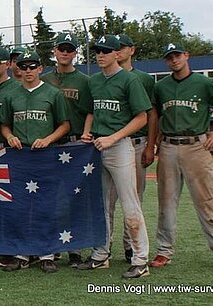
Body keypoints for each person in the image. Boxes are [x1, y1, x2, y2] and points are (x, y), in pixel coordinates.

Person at [151, 42, 213, 272]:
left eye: (177, 55)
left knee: (207, 200)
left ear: (186, 56)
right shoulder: (161, 87)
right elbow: (157, 113)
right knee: (166, 202)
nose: (174, 60)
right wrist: (158, 136)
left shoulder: (204, 82)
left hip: (196, 146)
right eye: (170, 57)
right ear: (166, 61)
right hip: (169, 146)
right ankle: (163, 251)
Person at [77, 35, 151, 279]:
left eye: (106, 51)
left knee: (130, 203)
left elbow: (142, 118)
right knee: (101, 206)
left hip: (120, 147)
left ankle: (140, 260)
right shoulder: (94, 80)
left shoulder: (129, 80)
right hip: (97, 145)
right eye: (97, 51)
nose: (100, 55)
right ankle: (101, 255)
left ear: (117, 54)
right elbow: (91, 111)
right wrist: (87, 132)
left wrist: (114, 137)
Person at [0, 50, 70, 273]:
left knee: (45, 205)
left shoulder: (53, 93)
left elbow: (65, 124)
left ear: (40, 68)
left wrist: (48, 139)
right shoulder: (12, 94)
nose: (28, 71)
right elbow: (4, 124)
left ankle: (46, 254)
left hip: (45, 155)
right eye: (24, 67)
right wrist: (9, 136)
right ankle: (22, 253)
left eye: (32, 67)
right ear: (18, 69)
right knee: (20, 205)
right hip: (20, 156)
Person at [40, 31, 92, 267]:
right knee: (50, 198)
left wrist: (85, 135)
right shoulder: (45, 79)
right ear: (54, 51)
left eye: (69, 49)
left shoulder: (84, 80)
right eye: (61, 48)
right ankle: (50, 249)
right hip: (49, 144)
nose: (65, 52)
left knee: (74, 199)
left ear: (75, 53)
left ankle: (74, 249)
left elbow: (91, 110)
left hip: (74, 144)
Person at [108, 33, 157, 263]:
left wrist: (151, 144)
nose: (117, 50)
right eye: (113, 48)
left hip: (136, 143)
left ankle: (131, 248)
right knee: (107, 200)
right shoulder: (104, 77)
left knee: (133, 198)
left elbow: (150, 113)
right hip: (109, 144)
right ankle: (104, 247)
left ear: (132, 50)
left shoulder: (143, 78)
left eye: (122, 47)